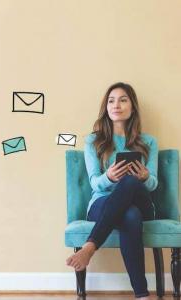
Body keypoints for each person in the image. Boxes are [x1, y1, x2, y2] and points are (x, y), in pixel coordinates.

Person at [66, 82, 159, 299]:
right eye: (111, 100)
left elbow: (154, 183)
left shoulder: (148, 142)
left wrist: (144, 178)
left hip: (142, 201)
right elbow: (93, 183)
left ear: (132, 107)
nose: (116, 105)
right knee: (130, 214)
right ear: (106, 107)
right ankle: (142, 295)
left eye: (123, 99)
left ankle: (90, 246)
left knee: (130, 184)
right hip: (102, 204)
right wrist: (108, 177)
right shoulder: (93, 141)